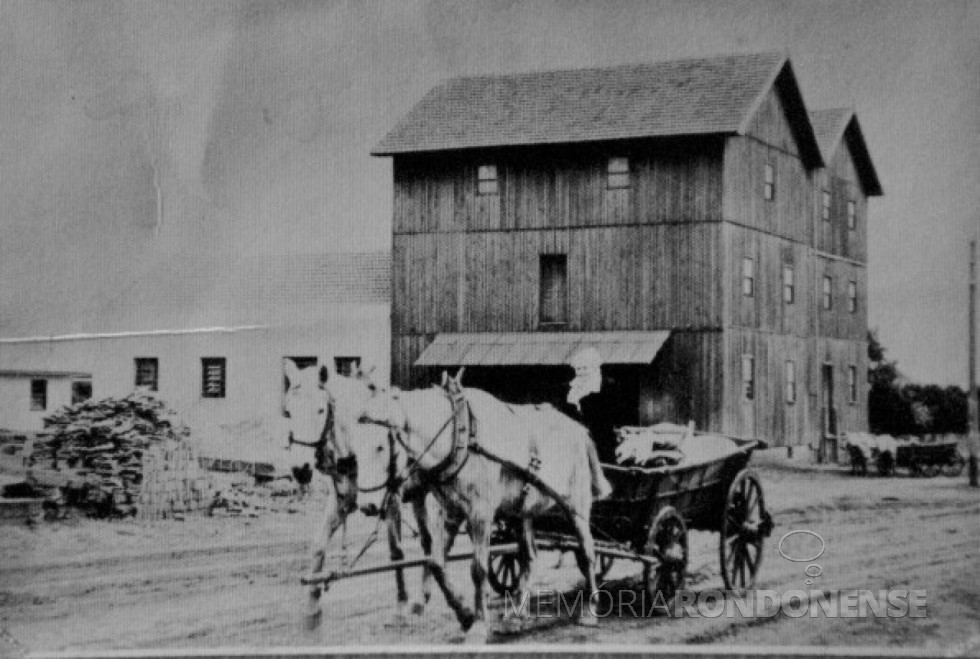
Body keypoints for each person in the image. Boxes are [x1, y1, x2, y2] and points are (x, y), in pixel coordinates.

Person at [559, 348, 630, 464]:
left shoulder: (606, 386)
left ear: (593, 368)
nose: (581, 372)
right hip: (574, 437)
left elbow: (612, 414)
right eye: (578, 369)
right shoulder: (571, 389)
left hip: (600, 437)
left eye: (584, 368)